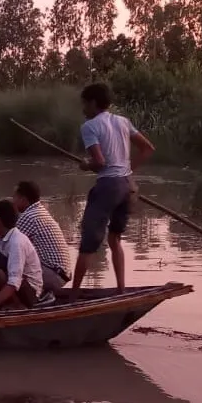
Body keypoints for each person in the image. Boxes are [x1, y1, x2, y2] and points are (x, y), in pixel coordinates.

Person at [72, 83, 155, 298]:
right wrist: (127, 171)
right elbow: (148, 148)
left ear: (92, 103)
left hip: (108, 186)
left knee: (88, 243)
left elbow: (99, 162)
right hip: (127, 186)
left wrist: (85, 165)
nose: (83, 108)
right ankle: (121, 290)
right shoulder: (123, 121)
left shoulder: (89, 126)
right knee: (115, 239)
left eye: (84, 103)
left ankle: (72, 295)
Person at [0, 199, 43, 323]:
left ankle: (18, 306)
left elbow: (13, 284)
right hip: (15, 287)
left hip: (29, 293)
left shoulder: (17, 242)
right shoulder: (0, 240)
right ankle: (6, 301)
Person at [12, 180, 72, 295]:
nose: (13, 201)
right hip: (60, 273)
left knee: (8, 265)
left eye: (15, 197)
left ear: (23, 199)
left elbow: (9, 249)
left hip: (53, 274)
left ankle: (29, 300)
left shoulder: (28, 217)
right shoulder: (39, 211)